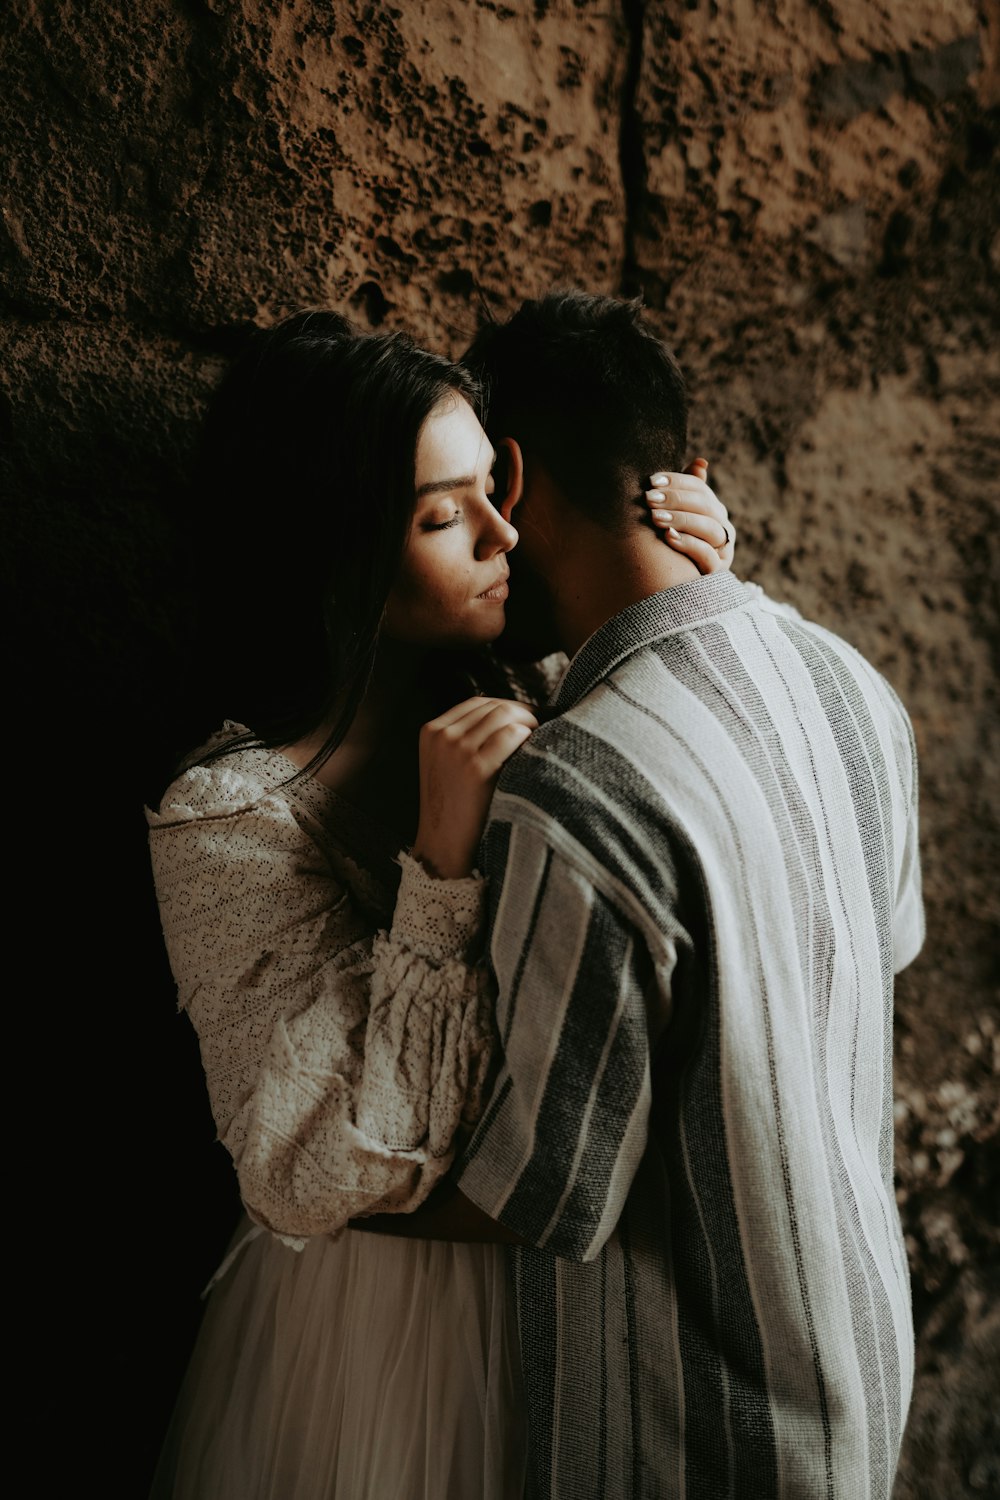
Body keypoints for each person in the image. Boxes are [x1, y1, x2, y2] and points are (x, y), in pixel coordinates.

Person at [144, 306, 734, 1500]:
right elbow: (309, 1168)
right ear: (333, 550)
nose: (504, 532)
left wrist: (687, 588)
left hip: (582, 1294)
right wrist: (440, 864)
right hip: (371, 1337)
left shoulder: (547, 692)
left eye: (493, 490)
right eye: (440, 514)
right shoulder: (229, 819)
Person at [359, 290, 925, 1500]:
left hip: (694, 1432)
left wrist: (305, 1190)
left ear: (507, 480)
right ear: (688, 473)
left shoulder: (576, 783)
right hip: (862, 1376)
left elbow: (545, 1189)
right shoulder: (854, 689)